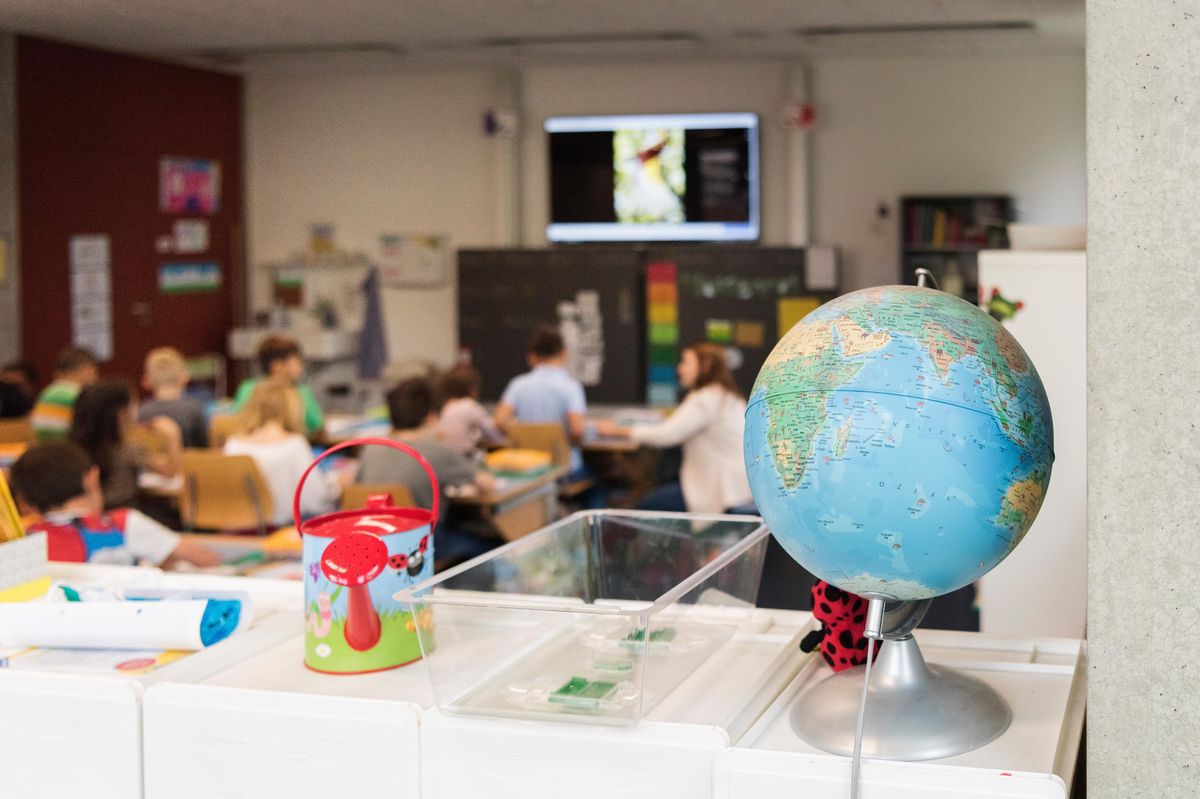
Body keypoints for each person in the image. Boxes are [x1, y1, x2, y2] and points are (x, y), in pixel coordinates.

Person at [594, 342, 752, 514]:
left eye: (685, 362)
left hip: (720, 489)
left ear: (705, 366)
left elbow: (667, 434)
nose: (680, 369)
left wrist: (616, 431)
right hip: (737, 485)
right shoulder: (725, 395)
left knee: (646, 506)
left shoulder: (705, 398)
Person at [10, 440, 219, 568]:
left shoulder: (24, 541)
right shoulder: (123, 523)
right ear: (91, 478)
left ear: (26, 502)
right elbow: (206, 559)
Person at [358, 376, 497, 566]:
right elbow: (487, 485)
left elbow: (353, 487)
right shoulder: (436, 451)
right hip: (424, 544)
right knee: (494, 545)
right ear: (431, 417)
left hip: (374, 544)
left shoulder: (370, 449)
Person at [223, 380, 341, 526]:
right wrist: (337, 486)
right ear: (292, 408)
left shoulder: (233, 444)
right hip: (282, 528)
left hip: (240, 526)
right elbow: (317, 500)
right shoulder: (293, 444)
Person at [70, 380, 182, 511]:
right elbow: (170, 472)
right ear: (122, 414)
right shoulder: (129, 450)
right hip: (125, 516)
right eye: (134, 404)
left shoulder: (73, 451)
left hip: (92, 518)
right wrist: (173, 436)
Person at [493, 326, 588, 478]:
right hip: (564, 469)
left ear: (532, 356)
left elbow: (500, 421)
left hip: (528, 468)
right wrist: (559, 442)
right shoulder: (571, 387)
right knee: (599, 485)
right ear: (565, 353)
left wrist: (524, 438)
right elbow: (577, 430)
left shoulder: (517, 385)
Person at [233, 336, 324, 437]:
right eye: (298, 362)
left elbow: (238, 421)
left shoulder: (247, 388)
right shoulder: (297, 391)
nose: (301, 368)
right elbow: (317, 425)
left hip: (249, 449)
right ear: (278, 366)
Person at [139, 347, 208, 448]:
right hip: (189, 463)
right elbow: (204, 449)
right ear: (184, 377)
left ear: (147, 381)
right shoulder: (193, 410)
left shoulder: (142, 412)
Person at [30, 347, 99, 440]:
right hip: (70, 450)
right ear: (87, 369)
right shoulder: (80, 395)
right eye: (95, 370)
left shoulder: (46, 393)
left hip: (45, 449)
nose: (96, 375)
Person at [436, 364, 501, 456]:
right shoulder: (469, 406)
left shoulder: (444, 407)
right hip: (465, 456)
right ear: (472, 388)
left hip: (444, 455)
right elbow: (494, 435)